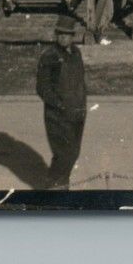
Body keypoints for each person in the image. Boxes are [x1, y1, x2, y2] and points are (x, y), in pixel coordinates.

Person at [36, 15, 88, 190]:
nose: (63, 38)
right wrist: (60, 105)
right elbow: (42, 88)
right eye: (60, 34)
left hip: (77, 113)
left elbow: (80, 81)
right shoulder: (49, 56)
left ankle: (62, 186)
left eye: (67, 34)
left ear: (73, 36)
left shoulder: (76, 53)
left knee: (73, 153)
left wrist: (82, 104)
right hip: (58, 116)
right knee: (63, 154)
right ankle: (52, 188)